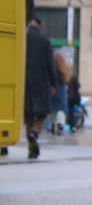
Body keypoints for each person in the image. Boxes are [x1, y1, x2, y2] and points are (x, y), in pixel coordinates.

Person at [24, 18, 57, 159]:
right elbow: (51, 65)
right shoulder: (44, 41)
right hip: (41, 83)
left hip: (24, 82)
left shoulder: (22, 38)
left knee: (29, 116)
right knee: (43, 113)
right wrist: (53, 83)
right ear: (39, 25)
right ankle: (35, 132)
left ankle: (32, 150)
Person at [49, 52, 72, 136]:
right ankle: (60, 125)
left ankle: (53, 126)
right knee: (61, 110)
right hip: (62, 93)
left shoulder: (52, 70)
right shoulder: (65, 70)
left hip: (54, 91)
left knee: (53, 111)